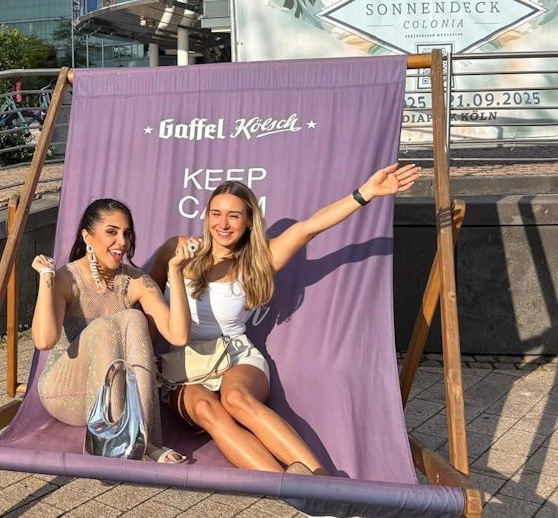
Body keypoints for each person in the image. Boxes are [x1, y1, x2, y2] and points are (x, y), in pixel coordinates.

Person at [151, 163, 420, 475]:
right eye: (216, 213)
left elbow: (309, 228)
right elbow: (146, 297)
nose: (222, 224)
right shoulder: (178, 249)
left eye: (234, 215)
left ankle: (319, 479)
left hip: (235, 356)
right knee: (205, 409)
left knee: (236, 399)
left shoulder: (258, 260)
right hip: (184, 366)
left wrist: (366, 193)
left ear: (249, 221)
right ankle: (287, 486)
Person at [31, 198, 195, 463]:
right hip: (67, 392)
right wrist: (46, 278)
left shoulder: (135, 281)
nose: (122, 242)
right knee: (104, 328)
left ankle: (143, 440)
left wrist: (175, 272)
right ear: (88, 236)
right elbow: (44, 340)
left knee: (133, 317)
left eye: (126, 234)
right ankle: (119, 443)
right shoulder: (68, 278)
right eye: (112, 232)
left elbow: (179, 336)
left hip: (117, 393)